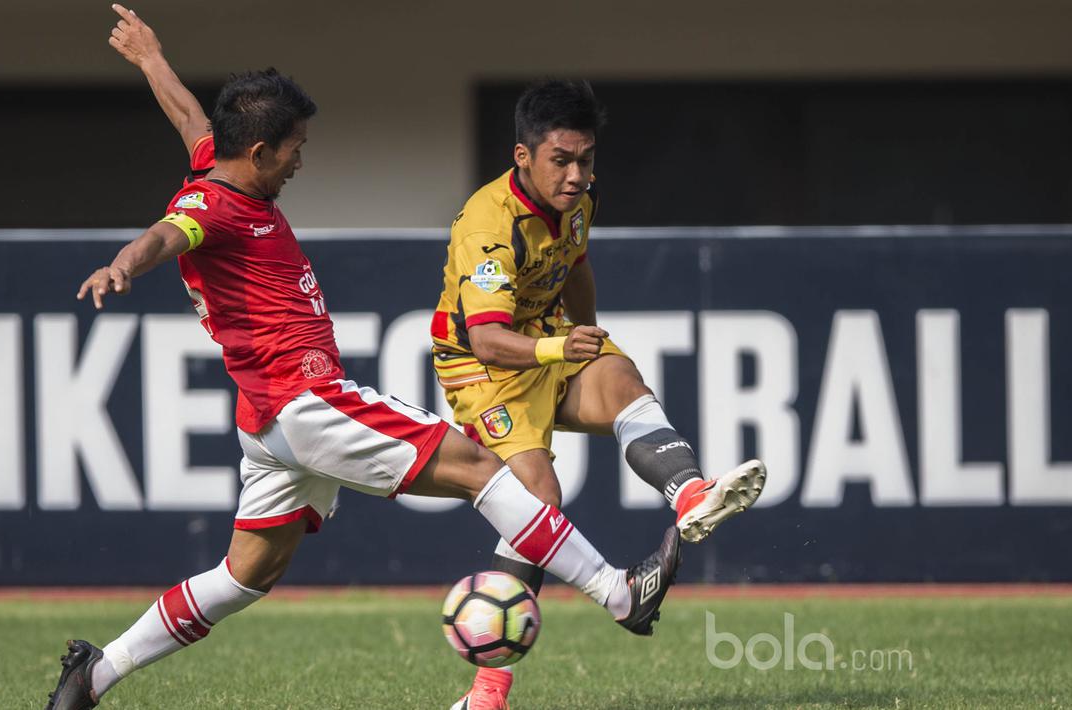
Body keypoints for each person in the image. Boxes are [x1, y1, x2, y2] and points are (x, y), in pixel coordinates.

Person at [43, 14, 680, 710]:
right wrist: (122, 264)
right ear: (257, 153)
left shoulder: (218, 165)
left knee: (243, 575)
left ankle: (94, 674)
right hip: (306, 399)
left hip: (267, 424)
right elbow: (168, 234)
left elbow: (190, 116)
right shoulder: (213, 207)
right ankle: (620, 595)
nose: (300, 161)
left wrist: (150, 57)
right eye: (293, 149)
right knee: (484, 471)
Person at [430, 81, 767, 708]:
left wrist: (587, 334)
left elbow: (576, 263)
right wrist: (562, 348)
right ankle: (487, 693)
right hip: (485, 368)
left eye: (587, 159)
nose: (578, 174)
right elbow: (486, 341)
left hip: (546, 339)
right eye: (562, 159)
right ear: (523, 156)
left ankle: (689, 494)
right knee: (538, 501)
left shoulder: (579, 200)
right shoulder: (487, 225)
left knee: (620, 379)